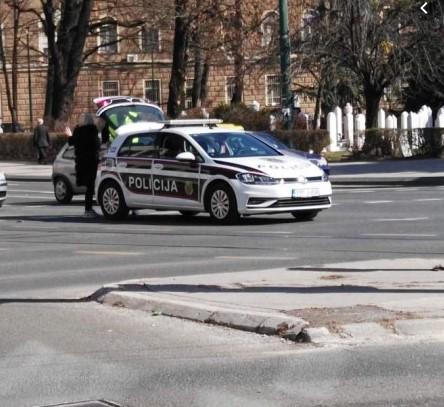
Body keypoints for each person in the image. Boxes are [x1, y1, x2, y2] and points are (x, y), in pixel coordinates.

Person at [68, 113, 101, 218]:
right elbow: (97, 145)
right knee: (90, 186)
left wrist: (69, 135)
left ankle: (88, 209)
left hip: (81, 162)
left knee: (88, 186)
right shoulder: (92, 131)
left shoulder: (78, 131)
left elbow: (71, 142)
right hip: (91, 161)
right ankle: (88, 209)